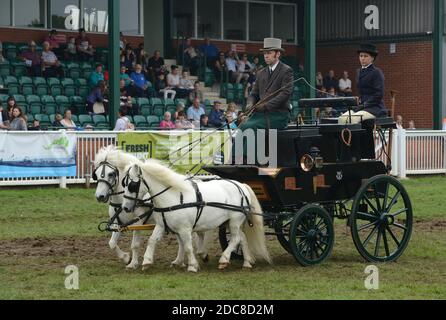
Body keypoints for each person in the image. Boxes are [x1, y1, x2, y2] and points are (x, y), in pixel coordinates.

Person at [236, 38, 293, 163]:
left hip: (279, 115)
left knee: (252, 125)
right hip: (261, 114)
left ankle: (249, 160)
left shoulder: (286, 70)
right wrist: (250, 103)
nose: (266, 56)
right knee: (242, 125)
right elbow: (253, 93)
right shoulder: (261, 73)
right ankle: (236, 158)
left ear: (277, 54)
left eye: (269, 52)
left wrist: (265, 106)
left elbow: (285, 94)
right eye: (264, 53)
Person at [339, 44, 387, 125]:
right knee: (342, 119)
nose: (362, 58)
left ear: (372, 58)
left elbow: (379, 95)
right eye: (361, 56)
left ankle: (359, 138)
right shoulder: (359, 71)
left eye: (365, 56)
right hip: (362, 106)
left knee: (352, 119)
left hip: (374, 107)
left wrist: (365, 104)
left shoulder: (376, 72)